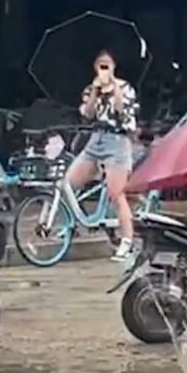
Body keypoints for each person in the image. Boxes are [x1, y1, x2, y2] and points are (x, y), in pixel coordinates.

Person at [68, 49, 139, 261]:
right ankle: (78, 224)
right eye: (101, 64)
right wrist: (96, 92)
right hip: (95, 139)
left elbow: (120, 111)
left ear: (114, 67)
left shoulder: (126, 88)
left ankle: (127, 241)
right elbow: (88, 114)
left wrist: (114, 86)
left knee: (116, 194)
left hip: (117, 141)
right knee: (68, 183)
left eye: (107, 64)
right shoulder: (91, 89)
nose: (104, 68)